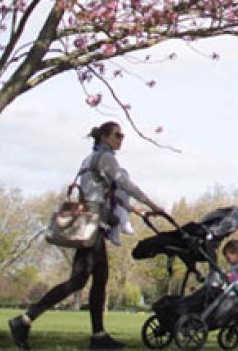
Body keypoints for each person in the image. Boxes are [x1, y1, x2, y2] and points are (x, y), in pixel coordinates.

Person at [10, 122, 166, 351]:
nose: (121, 139)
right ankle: (25, 320)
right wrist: (151, 203)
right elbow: (124, 184)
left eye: (122, 136)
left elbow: (108, 192)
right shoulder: (106, 158)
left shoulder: (92, 158)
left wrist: (136, 210)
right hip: (91, 225)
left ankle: (98, 336)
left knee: (99, 278)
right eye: (117, 135)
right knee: (79, 280)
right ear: (104, 137)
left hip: (94, 223)